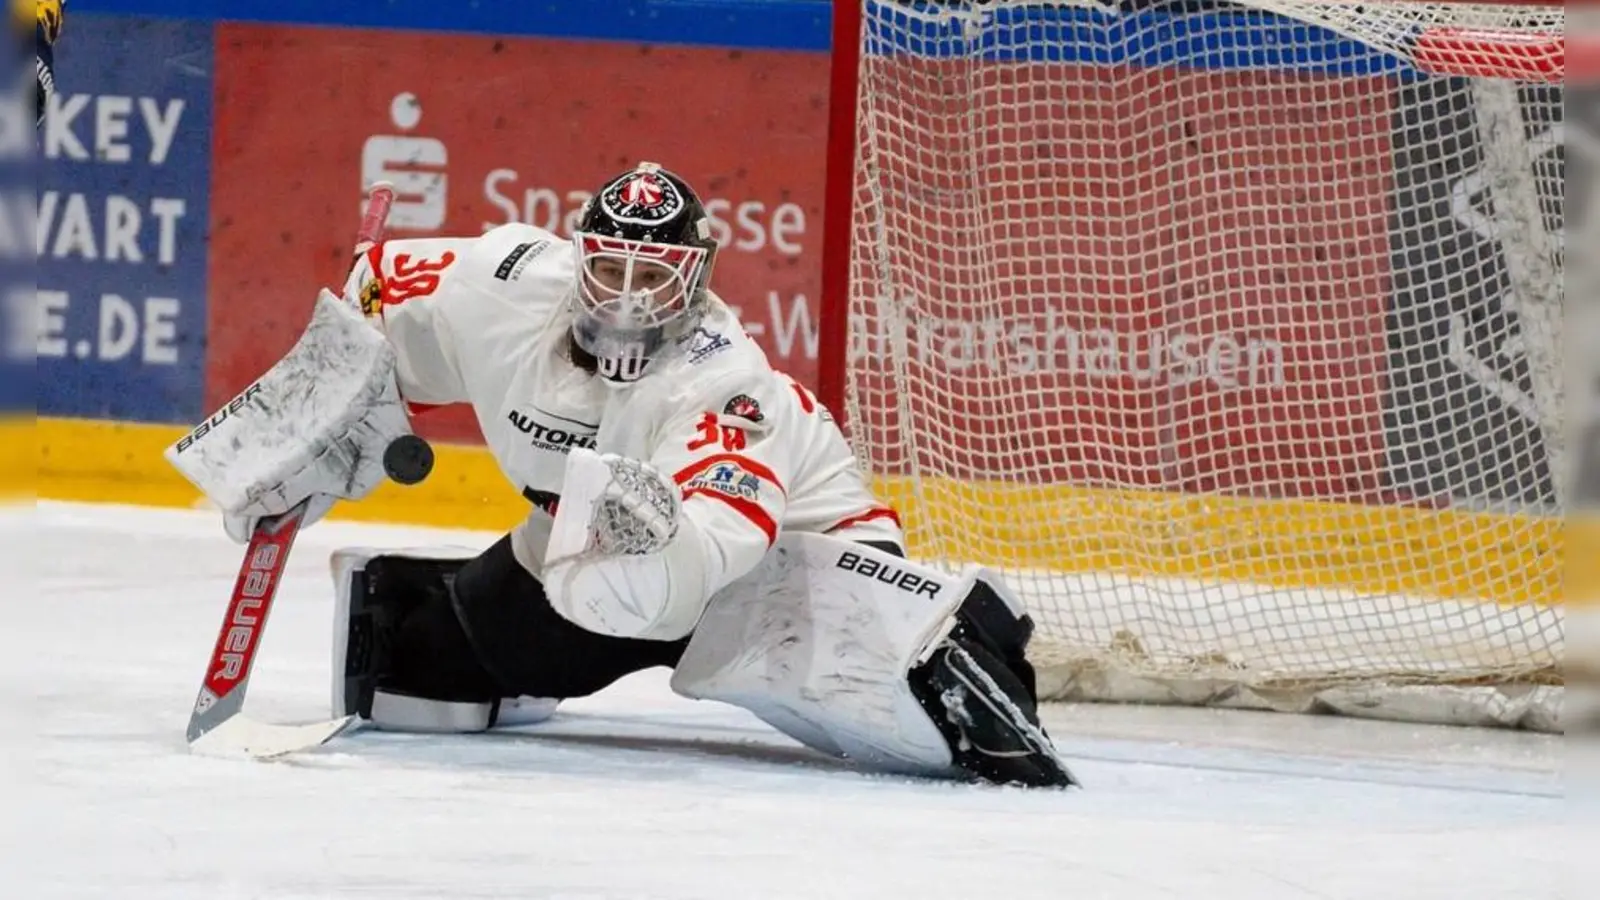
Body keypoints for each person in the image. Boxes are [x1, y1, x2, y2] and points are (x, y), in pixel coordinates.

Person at [184, 162, 1075, 788]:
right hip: (585, 555)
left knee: (916, 705)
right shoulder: (504, 282)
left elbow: (715, 551)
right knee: (419, 677)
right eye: (609, 268)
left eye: (656, 276)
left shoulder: (725, 382)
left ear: (699, 278)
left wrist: (652, 538)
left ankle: (940, 632)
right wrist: (325, 399)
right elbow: (376, 286)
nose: (626, 296)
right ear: (580, 258)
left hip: (783, 567)